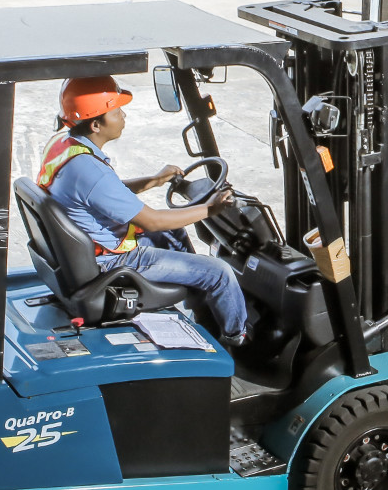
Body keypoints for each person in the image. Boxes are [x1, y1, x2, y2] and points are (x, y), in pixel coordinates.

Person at [37, 75, 249, 343]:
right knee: (219, 273)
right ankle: (236, 339)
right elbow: (153, 221)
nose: (123, 115)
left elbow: (102, 192)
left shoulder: (64, 145)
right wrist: (210, 209)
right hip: (112, 262)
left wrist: (153, 180)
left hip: (89, 251)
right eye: (116, 111)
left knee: (173, 235)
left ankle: (200, 308)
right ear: (96, 124)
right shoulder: (90, 171)